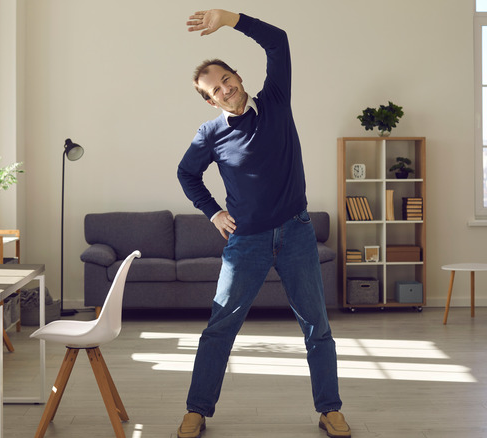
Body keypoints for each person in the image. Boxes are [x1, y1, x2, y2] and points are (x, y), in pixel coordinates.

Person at [176, 9, 352, 438]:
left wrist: (231, 18)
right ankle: (197, 410)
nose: (226, 89)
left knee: (317, 325)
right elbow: (187, 174)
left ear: (237, 75)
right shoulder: (209, 135)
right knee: (220, 327)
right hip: (247, 242)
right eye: (215, 89)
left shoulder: (275, 100)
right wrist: (214, 212)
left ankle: (330, 409)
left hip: (296, 232)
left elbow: (278, 42)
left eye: (227, 79)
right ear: (210, 100)